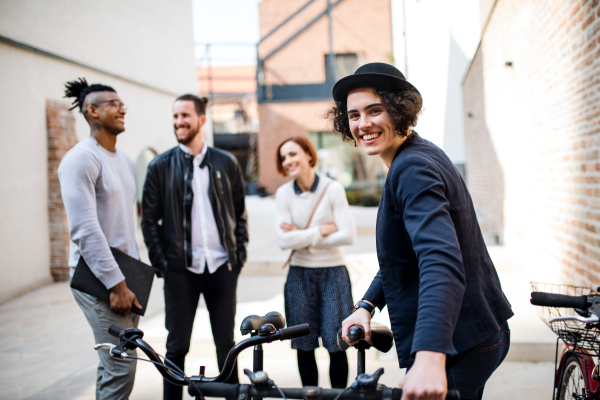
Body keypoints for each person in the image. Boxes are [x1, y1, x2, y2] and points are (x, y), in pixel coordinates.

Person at [328, 63, 514, 400]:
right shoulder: (415, 154)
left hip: (460, 344)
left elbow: (439, 258)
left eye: (374, 110)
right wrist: (367, 305)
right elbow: (406, 254)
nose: (363, 123)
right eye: (354, 115)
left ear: (399, 110)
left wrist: (430, 356)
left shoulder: (411, 168)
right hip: (479, 330)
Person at [141, 94, 248, 400]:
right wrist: (163, 265)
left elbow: (240, 213)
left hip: (221, 267)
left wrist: (238, 256)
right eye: (175, 117)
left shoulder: (226, 162)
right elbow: (149, 222)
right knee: (176, 347)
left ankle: (232, 397)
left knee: (227, 344)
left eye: (185, 116)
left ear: (201, 120)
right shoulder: (160, 166)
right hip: (180, 271)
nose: (179, 122)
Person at [59, 78, 141, 400]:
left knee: (111, 362)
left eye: (123, 103)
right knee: (121, 365)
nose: (123, 108)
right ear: (92, 111)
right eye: (114, 103)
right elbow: (84, 229)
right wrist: (116, 284)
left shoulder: (127, 161)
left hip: (126, 274)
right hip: (98, 279)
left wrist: (133, 277)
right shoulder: (80, 159)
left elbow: (124, 225)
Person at [274, 136, 356, 389]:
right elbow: (282, 241)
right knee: (304, 346)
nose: (287, 161)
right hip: (299, 275)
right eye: (283, 157)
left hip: (334, 274)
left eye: (293, 154)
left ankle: (339, 397)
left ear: (309, 155)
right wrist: (321, 231)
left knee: (337, 345)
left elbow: (348, 235)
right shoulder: (283, 193)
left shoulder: (333, 189)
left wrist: (301, 235)